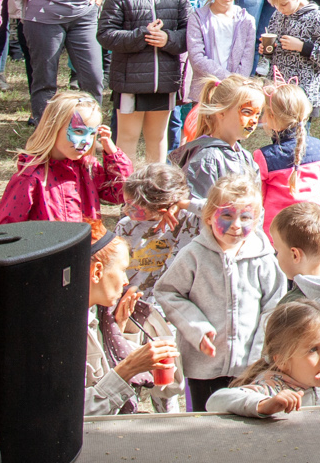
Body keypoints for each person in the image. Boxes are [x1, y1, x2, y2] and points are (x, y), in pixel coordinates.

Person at [154, 174, 288, 411]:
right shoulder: (194, 255)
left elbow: (274, 306)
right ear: (208, 217)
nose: (236, 225)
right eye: (227, 215)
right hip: (204, 366)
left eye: (245, 217)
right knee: (206, 421)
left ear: (256, 221)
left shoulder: (264, 259)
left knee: (245, 419)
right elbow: (167, 291)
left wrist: (260, 353)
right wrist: (197, 329)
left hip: (249, 366)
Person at [99, 0, 193, 166]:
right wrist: (142, 35)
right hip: (130, 79)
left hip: (164, 80)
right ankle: (125, 192)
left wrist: (168, 39)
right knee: (127, 138)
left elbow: (191, 35)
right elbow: (106, 35)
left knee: (158, 138)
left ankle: (155, 192)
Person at [204, 299, 320, 417]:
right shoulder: (273, 387)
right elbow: (215, 401)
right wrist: (264, 405)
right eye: (313, 349)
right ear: (282, 360)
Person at [85, 223, 184, 416]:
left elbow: (168, 388)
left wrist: (120, 330)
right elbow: (71, 413)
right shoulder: (60, 331)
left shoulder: (100, 316)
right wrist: (129, 368)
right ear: (97, 272)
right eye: (122, 270)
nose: (125, 281)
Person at [0, 90, 131, 223]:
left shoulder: (88, 168)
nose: (86, 141)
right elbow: (8, 227)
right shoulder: (31, 177)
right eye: (78, 131)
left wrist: (113, 154)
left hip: (86, 244)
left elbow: (120, 194)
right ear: (53, 128)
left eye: (92, 134)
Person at [171, 75, 265, 201]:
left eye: (257, 114)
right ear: (221, 112)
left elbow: (256, 208)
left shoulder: (247, 159)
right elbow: (196, 212)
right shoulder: (206, 159)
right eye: (247, 112)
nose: (254, 121)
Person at [115, 163, 199, 297]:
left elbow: (227, 210)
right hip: (135, 302)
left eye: (132, 208)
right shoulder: (125, 226)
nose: (125, 210)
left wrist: (183, 204)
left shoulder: (192, 221)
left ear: (159, 208)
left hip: (175, 304)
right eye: (125, 204)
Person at [185, 0, 256, 107]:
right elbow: (197, 58)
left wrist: (235, 83)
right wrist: (228, 78)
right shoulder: (198, 18)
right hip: (205, 92)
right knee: (205, 130)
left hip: (235, 93)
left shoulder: (247, 20)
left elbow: (247, 57)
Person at [253, 82, 320, 221]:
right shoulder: (318, 148)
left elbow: (257, 198)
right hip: (312, 225)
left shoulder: (263, 157)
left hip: (275, 234)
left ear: (271, 116)